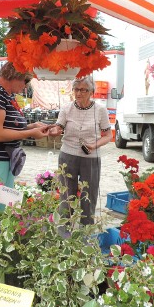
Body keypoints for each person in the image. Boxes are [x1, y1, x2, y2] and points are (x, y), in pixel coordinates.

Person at [0, 62, 50, 194]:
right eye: (26, 80)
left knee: (3, 206)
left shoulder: (6, 92)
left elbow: (8, 125)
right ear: (16, 76)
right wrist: (30, 132)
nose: (26, 85)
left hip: (2, 159)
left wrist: (31, 127)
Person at [47, 77, 112, 225]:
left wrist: (94, 145)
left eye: (84, 90)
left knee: (89, 194)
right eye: (76, 89)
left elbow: (108, 135)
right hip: (67, 155)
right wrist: (54, 130)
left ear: (91, 92)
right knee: (66, 193)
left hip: (90, 156)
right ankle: (65, 228)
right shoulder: (66, 108)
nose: (79, 93)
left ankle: (86, 228)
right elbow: (59, 127)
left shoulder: (100, 110)